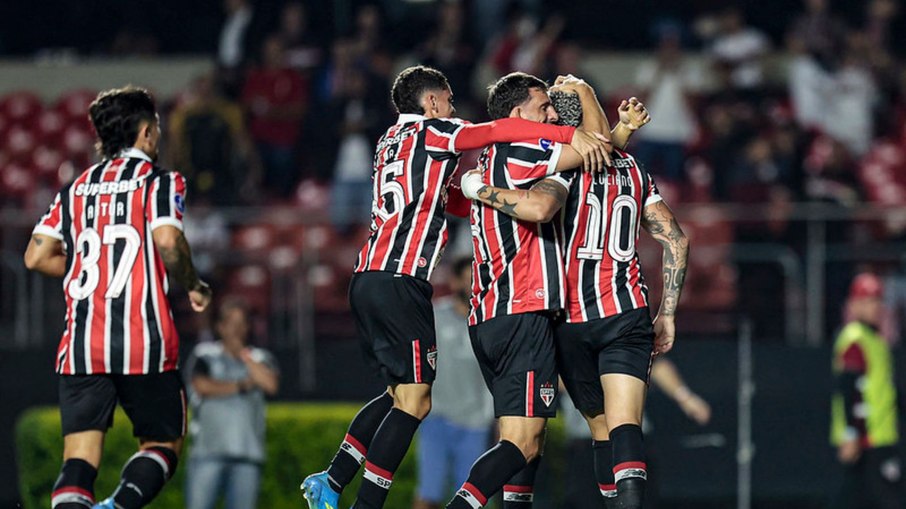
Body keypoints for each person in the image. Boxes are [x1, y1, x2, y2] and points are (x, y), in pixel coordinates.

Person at [299, 65, 611, 509]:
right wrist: (568, 136)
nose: (453, 108)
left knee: (396, 394)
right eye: (447, 99)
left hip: (368, 276)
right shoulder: (434, 131)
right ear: (430, 103)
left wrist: (480, 188)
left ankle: (332, 478)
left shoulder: (390, 141)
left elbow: (452, 202)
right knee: (416, 403)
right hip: (402, 279)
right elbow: (496, 129)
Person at [462, 77, 689, 509]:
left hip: (568, 316)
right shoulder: (634, 170)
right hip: (628, 310)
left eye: (551, 112)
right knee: (625, 429)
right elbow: (676, 240)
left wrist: (475, 187)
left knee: (594, 430)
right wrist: (669, 312)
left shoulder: (559, 172)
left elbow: (546, 198)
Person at [444, 72, 635, 509]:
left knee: (523, 442)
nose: (550, 113)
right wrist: (585, 91)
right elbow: (597, 151)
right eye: (543, 106)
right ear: (518, 115)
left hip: (491, 315)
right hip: (522, 311)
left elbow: (598, 151)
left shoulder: (495, 160)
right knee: (524, 445)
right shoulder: (527, 148)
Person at [23, 86, 212, 509]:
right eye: (157, 128)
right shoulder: (160, 181)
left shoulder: (75, 189)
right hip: (143, 342)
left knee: (79, 460)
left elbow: (36, 256)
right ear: (146, 133)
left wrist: (85, 267)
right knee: (163, 442)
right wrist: (194, 285)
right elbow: (167, 241)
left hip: (82, 344)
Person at [561, 357, 711, 509]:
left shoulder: (623, 336)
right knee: (588, 500)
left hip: (632, 438)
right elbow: (552, 375)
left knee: (639, 499)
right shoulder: (566, 339)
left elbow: (656, 363)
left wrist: (685, 397)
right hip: (586, 443)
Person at [413, 258, 494, 509]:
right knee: (428, 495)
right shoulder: (435, 316)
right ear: (455, 280)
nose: (473, 285)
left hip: (476, 424)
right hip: (436, 417)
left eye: (478, 280)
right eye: (469, 279)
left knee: (474, 497)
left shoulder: (490, 322)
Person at [184, 298, 279, 509]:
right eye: (230, 322)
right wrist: (243, 385)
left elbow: (270, 383)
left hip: (247, 455)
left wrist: (243, 355)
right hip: (207, 453)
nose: (236, 329)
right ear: (220, 326)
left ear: (247, 327)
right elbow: (202, 387)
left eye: (241, 323)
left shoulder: (259, 357)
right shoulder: (205, 355)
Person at [830, 273, 903, 509]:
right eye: (868, 301)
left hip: (880, 435)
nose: (875, 307)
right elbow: (849, 387)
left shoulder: (877, 341)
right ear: (854, 305)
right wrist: (852, 435)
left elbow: (884, 390)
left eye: (877, 301)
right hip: (867, 439)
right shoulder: (855, 339)